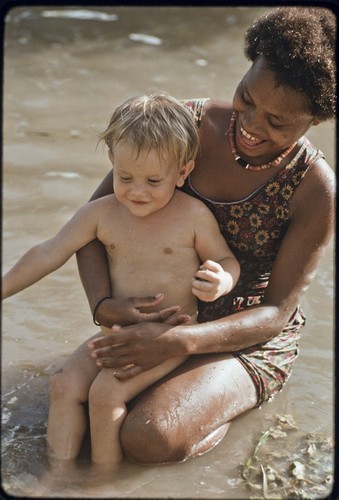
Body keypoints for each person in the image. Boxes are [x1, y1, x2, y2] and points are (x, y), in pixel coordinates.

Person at [75, 6, 336, 465]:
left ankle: (230, 408)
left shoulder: (314, 190)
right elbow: (92, 226)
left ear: (316, 119)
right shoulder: (183, 126)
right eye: (246, 98)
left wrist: (182, 343)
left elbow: (276, 312)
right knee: (73, 419)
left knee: (148, 438)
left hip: (245, 337)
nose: (253, 125)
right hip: (163, 318)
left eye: (278, 122)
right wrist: (102, 305)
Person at [2, 93, 240, 475]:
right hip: (118, 331)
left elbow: (227, 259)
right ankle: (57, 476)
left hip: (169, 337)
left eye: (153, 181)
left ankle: (101, 479)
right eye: (125, 177)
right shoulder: (102, 214)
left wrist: (222, 279)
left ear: (183, 172)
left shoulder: (193, 217)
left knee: (105, 392)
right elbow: (49, 253)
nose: (136, 191)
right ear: (112, 162)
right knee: (63, 384)